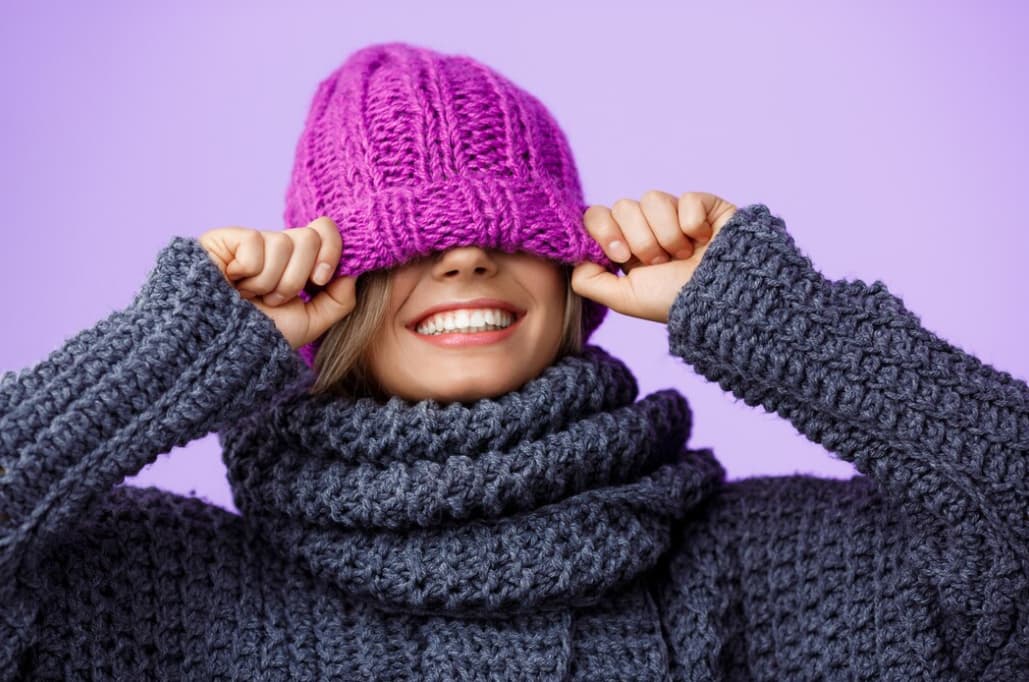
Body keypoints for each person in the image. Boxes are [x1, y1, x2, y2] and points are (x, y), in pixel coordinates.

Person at [0, 40, 1025, 681]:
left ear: (572, 269)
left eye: (505, 226)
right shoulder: (161, 593)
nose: (466, 253)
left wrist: (779, 317)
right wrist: (156, 355)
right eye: (406, 238)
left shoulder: (760, 569)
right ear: (327, 289)